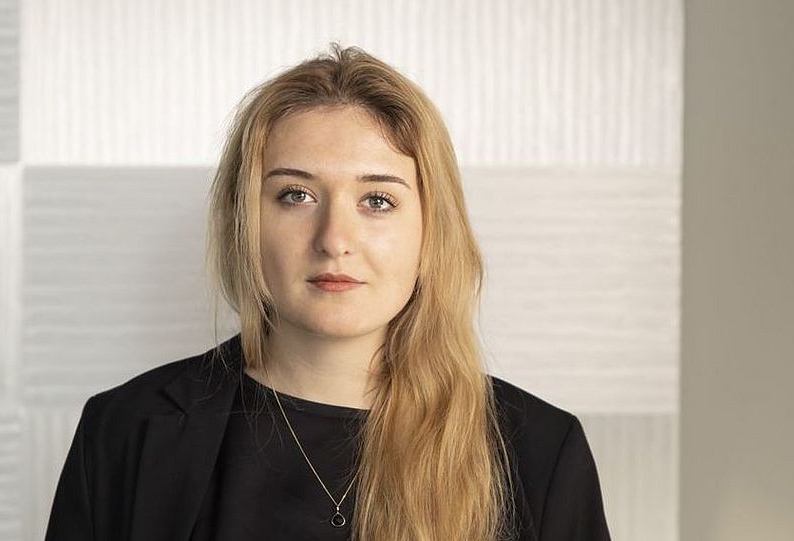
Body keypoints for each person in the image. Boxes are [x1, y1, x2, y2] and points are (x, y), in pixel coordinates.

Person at [45, 43, 611, 541]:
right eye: (296, 195)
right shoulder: (123, 430)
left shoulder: (541, 452)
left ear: (431, 231)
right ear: (244, 222)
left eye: (377, 201)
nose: (335, 240)